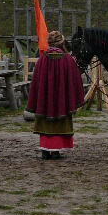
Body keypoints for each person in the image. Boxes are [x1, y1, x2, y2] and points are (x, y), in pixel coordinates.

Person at [26, 31, 84, 160]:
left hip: (45, 101)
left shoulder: (42, 59)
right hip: (63, 100)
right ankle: (55, 151)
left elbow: (36, 82)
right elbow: (76, 80)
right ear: (62, 42)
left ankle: (45, 151)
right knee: (60, 121)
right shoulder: (68, 60)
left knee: (45, 121)